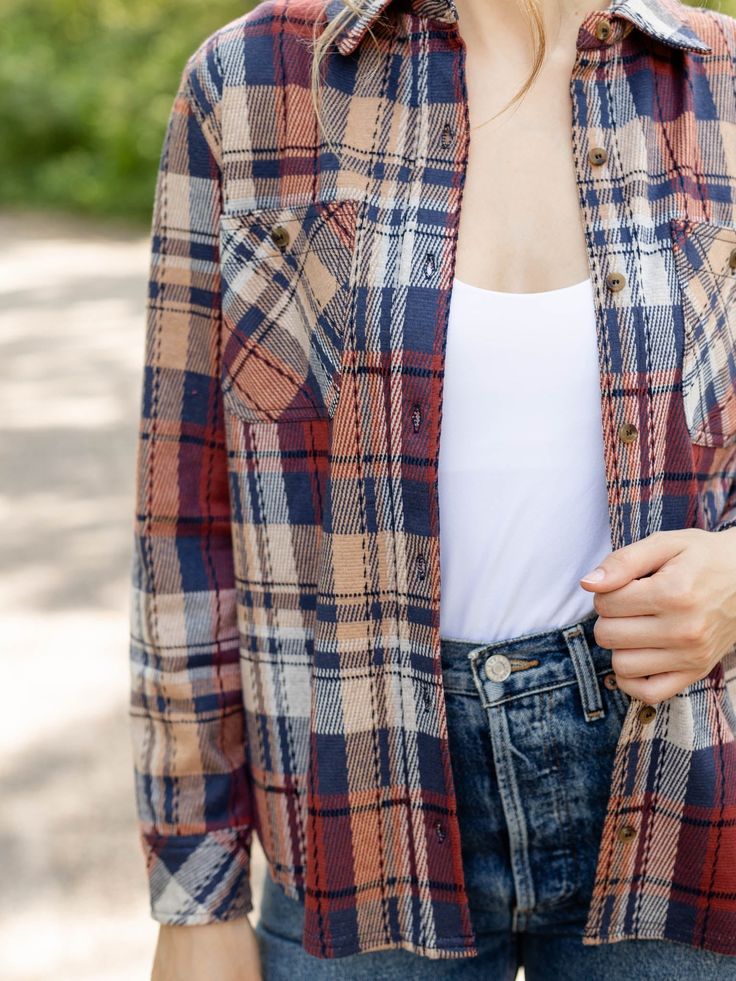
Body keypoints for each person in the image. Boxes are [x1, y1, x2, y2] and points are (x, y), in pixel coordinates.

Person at [128, 0, 736, 977]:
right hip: (358, 790)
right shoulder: (255, 82)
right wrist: (197, 900)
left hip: (682, 776)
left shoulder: (718, 81)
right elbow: (184, 520)